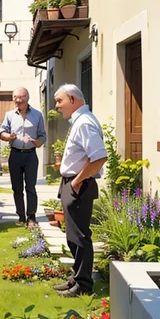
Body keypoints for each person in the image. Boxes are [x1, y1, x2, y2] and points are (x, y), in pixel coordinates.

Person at [53, 84, 107, 297]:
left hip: (79, 185)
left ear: (73, 100)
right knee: (73, 236)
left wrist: (76, 181)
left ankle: (83, 285)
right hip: (74, 183)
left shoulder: (84, 123)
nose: (57, 106)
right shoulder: (81, 121)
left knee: (80, 236)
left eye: (59, 101)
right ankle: (76, 278)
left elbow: (100, 157)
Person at [0, 88, 46, 228]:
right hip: (15, 154)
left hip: (31, 155)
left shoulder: (37, 115)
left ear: (28, 97)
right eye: (15, 97)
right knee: (17, 188)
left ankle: (31, 216)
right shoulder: (9, 115)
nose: (18, 100)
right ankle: (21, 216)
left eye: (21, 97)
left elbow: (43, 135)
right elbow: (2, 132)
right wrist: (8, 136)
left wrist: (39, 142)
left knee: (30, 186)